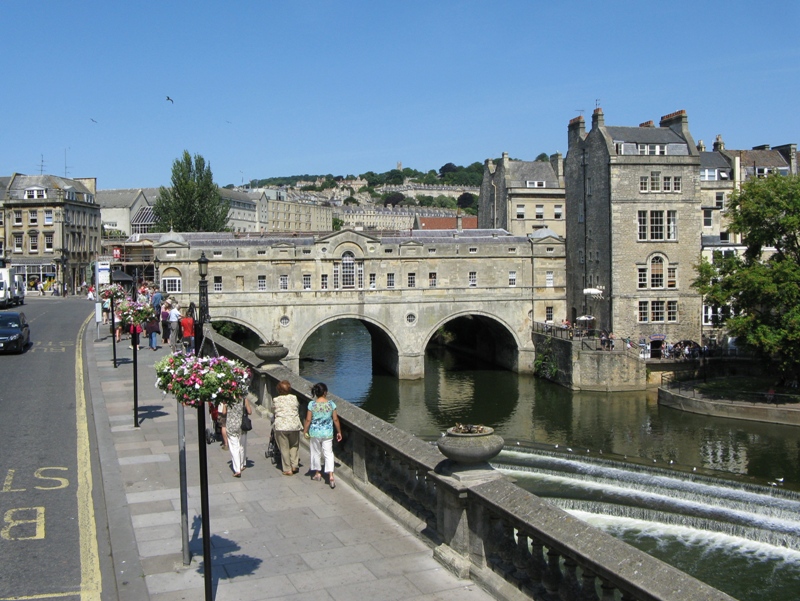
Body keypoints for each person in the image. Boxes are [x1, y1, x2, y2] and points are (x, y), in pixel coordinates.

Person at [303, 382, 342, 489]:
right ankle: (331, 476)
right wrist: (339, 432)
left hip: (315, 432)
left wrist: (305, 430)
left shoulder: (312, 405)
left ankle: (317, 473)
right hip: (327, 432)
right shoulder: (331, 404)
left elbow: (308, 419)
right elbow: (335, 419)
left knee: (316, 452)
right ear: (325, 392)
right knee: (328, 453)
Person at [273, 380, 303, 475]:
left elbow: (273, 409)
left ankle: (287, 468)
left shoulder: (276, 400)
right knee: (294, 445)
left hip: (281, 426)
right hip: (294, 424)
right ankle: (294, 465)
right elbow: (297, 406)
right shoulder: (294, 398)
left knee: (284, 447)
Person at [222, 397, 252, 477]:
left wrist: (225, 405)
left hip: (231, 426)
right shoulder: (244, 399)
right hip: (242, 426)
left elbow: (224, 413)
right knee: (241, 446)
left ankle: (237, 469)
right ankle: (241, 465)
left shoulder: (228, 400)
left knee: (234, 447)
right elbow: (249, 412)